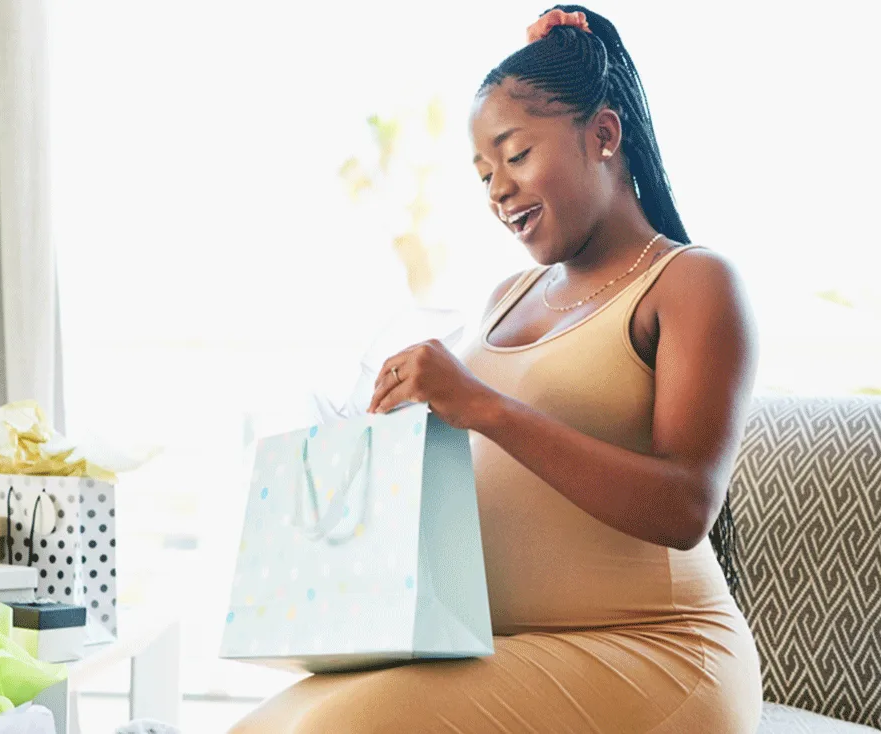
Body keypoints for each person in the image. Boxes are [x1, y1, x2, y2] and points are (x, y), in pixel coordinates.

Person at [230, 6, 762, 732]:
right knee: (256, 725)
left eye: (515, 156)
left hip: (656, 654)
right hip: (497, 647)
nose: (497, 191)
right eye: (483, 173)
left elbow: (686, 506)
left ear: (603, 135)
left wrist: (481, 405)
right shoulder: (504, 299)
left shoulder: (689, 283)